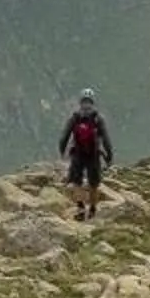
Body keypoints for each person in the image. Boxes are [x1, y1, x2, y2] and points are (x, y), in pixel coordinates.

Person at [57, 90, 112, 221]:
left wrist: (62, 152)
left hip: (78, 153)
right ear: (92, 102)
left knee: (77, 181)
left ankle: (81, 207)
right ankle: (92, 209)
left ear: (80, 102)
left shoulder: (75, 118)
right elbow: (106, 139)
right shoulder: (98, 118)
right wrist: (109, 156)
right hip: (93, 154)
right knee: (94, 183)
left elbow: (63, 138)